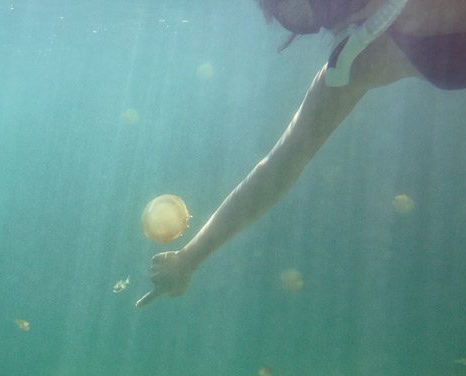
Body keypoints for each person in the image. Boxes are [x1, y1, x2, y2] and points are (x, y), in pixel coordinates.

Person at [136, 0, 466, 308]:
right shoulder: (363, 60)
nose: (331, 16)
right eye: (306, 14)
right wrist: (190, 257)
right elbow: (279, 166)